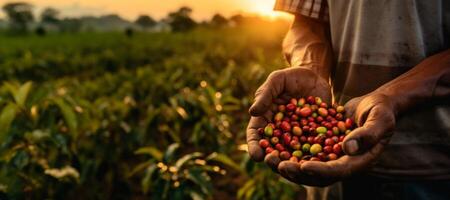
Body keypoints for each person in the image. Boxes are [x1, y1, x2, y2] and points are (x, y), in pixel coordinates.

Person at [246, 0, 450, 199]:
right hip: (332, 175)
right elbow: (306, 24)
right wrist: (310, 67)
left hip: (433, 174)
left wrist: (393, 96)